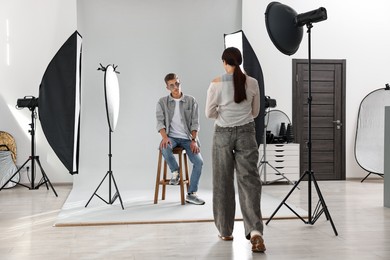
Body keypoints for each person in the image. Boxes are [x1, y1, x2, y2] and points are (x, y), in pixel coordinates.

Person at [205, 47, 265, 252]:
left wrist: (223, 113)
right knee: (249, 182)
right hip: (247, 133)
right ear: (239, 61)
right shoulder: (253, 83)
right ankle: (256, 233)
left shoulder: (216, 83)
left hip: (222, 133)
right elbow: (255, 112)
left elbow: (208, 113)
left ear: (224, 62)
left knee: (222, 181)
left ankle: (225, 230)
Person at [156, 73, 205, 205]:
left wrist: (194, 140)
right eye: (172, 85)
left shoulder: (191, 100)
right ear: (167, 87)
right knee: (164, 146)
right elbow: (160, 122)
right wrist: (165, 137)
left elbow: (195, 122)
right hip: (171, 137)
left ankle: (191, 194)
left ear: (180, 82)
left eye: (177, 83)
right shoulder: (162, 102)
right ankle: (175, 172)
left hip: (188, 138)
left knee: (199, 162)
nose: (175, 87)